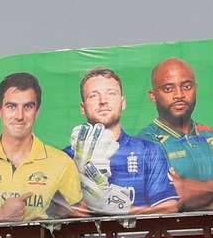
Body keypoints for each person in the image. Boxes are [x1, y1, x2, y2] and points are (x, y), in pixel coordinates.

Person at [137, 58, 213, 211]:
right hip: (172, 234)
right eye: (168, 88)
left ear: (195, 88)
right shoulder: (144, 144)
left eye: (187, 86)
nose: (179, 95)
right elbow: (177, 197)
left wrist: (204, 214)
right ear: (153, 95)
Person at [66, 67, 178, 216]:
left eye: (111, 94)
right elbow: (57, 212)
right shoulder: (66, 158)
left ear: (122, 103)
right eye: (93, 96)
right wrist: (86, 189)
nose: (103, 101)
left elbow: (168, 207)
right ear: (83, 107)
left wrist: (119, 209)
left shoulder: (149, 151)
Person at [0, 72, 83, 223]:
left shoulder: (62, 163)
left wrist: (44, 225)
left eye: (28, 107)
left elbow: (78, 224)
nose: (19, 116)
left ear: (37, 111)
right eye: (11, 106)